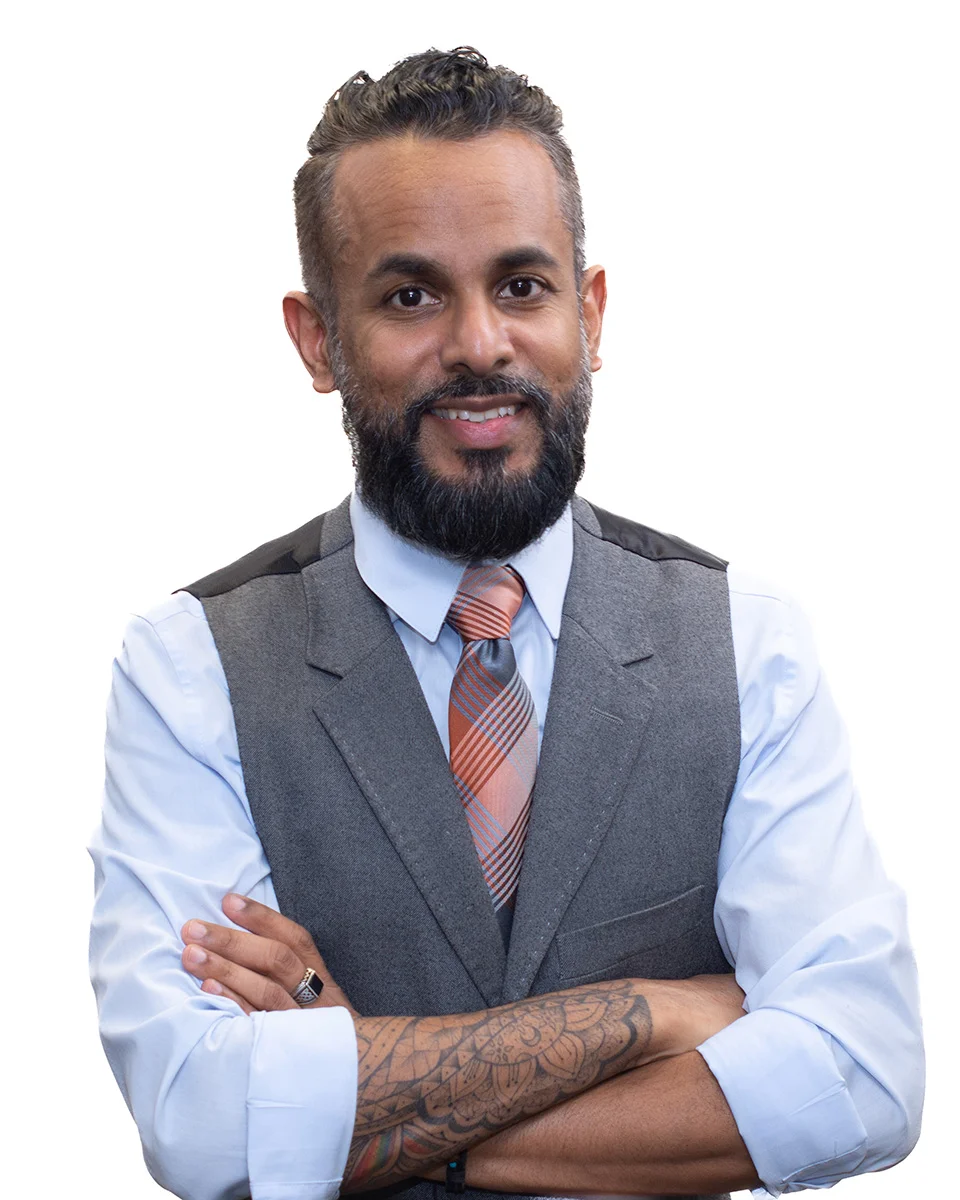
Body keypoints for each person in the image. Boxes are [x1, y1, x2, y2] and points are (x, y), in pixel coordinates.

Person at [89, 47, 923, 1200]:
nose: (480, 343)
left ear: (590, 311)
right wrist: (657, 1016)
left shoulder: (748, 647)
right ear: (319, 339)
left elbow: (864, 1079)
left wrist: (350, 1095)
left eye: (523, 287)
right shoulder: (188, 669)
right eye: (411, 296)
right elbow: (200, 1120)